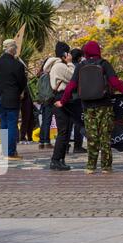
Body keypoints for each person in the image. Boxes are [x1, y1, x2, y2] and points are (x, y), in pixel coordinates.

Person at [55, 40, 123, 174]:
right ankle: (106, 167)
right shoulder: (104, 64)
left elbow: (71, 85)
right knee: (105, 137)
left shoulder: (80, 65)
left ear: (86, 52)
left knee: (92, 136)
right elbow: (115, 83)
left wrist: (62, 101)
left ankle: (90, 166)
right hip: (105, 105)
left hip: (88, 107)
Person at [0, 39, 27, 160]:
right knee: (12, 124)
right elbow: (22, 82)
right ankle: (11, 152)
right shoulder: (17, 65)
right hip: (12, 97)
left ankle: (4, 150)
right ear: (13, 49)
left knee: (3, 124)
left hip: (0, 96)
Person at [44, 41, 75, 171]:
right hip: (61, 98)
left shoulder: (56, 66)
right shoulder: (60, 66)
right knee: (63, 130)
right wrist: (70, 63)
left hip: (62, 98)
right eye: (68, 52)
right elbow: (74, 77)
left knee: (66, 130)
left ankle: (60, 159)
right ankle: (56, 160)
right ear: (64, 54)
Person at [68, 48, 87, 154]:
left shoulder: (66, 66)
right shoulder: (80, 67)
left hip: (68, 97)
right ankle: (77, 145)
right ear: (80, 57)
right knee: (79, 122)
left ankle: (65, 145)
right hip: (78, 97)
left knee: (69, 122)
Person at [38, 58, 54, 150]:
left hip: (43, 100)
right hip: (48, 100)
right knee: (47, 121)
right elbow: (49, 90)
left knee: (44, 121)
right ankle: (46, 141)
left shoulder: (41, 75)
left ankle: (41, 141)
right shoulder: (48, 76)